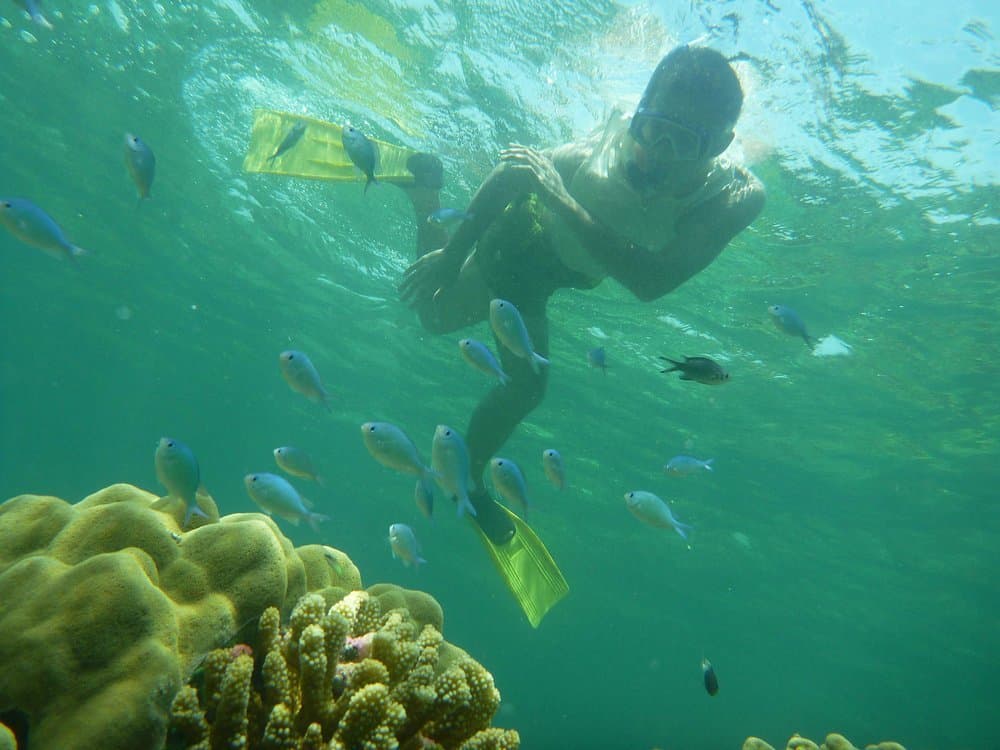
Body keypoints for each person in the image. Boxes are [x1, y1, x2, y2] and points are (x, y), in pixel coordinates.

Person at [398, 45, 765, 544]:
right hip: (520, 244)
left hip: (558, 268)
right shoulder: (598, 155)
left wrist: (563, 201)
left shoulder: (733, 196)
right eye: (650, 128)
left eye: (681, 142)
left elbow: (651, 282)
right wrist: (450, 256)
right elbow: (514, 173)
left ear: (720, 146)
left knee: (522, 381)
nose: (654, 152)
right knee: (441, 324)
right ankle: (427, 200)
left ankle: (472, 479)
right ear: (638, 112)